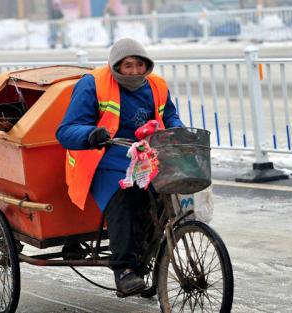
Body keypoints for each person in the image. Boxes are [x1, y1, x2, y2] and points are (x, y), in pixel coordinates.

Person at [56, 38, 184, 297]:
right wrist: (91, 134)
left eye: (140, 64)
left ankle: (152, 255)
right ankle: (124, 269)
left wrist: (179, 131)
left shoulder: (157, 84)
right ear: (116, 66)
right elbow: (65, 131)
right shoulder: (92, 84)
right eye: (128, 66)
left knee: (167, 195)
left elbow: (169, 115)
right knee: (123, 198)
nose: (135, 71)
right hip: (102, 160)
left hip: (147, 157)